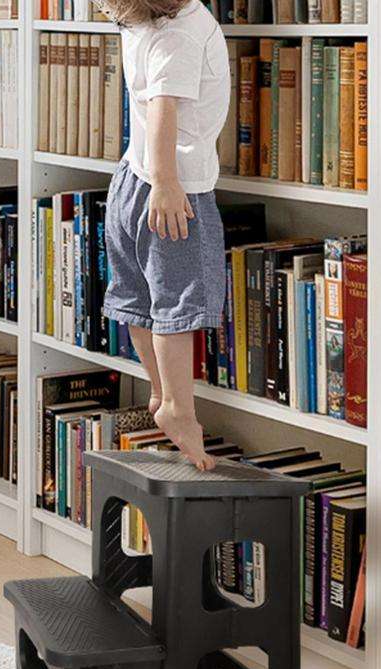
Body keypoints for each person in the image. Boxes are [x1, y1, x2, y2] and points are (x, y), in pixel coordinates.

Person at [101, 0, 231, 471]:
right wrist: (166, 182)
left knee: (139, 296)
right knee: (176, 305)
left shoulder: (136, 23)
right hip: (173, 190)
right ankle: (177, 404)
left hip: (127, 182)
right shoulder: (182, 32)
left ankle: (158, 387)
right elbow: (163, 108)